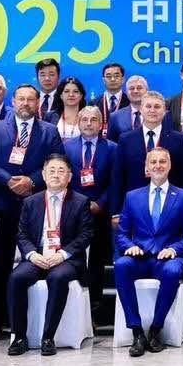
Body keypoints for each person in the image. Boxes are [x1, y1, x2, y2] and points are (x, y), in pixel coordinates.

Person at [0, 84, 61, 334]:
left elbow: (56, 161)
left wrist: (31, 181)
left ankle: (31, 320)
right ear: (13, 102)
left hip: (36, 205)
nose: (25, 103)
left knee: (33, 258)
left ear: (38, 103)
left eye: (30, 99)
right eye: (21, 99)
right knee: (0, 263)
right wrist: (8, 180)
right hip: (3, 204)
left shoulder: (49, 131)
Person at [114, 148, 183, 357]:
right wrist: (129, 246)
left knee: (173, 271)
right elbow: (122, 234)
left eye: (162, 162)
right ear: (146, 167)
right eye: (153, 162)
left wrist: (174, 249)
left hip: (167, 258)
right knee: (122, 265)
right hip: (139, 257)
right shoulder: (132, 197)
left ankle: (155, 329)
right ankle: (136, 332)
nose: (158, 166)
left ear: (169, 165)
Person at [8, 154, 93, 356]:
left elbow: (86, 234)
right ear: (44, 175)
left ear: (69, 177)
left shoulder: (81, 202)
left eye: (61, 171)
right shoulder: (31, 202)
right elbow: (22, 234)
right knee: (16, 278)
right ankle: (19, 337)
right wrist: (31, 254)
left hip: (67, 259)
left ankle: (48, 337)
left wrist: (62, 254)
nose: (56, 175)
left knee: (57, 277)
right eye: (51, 171)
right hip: (38, 256)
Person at [65, 106, 118, 324]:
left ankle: (94, 313)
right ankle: (72, 310)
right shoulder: (66, 147)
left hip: (100, 214)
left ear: (101, 123)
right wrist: (80, 204)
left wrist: (100, 203)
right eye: (84, 119)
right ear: (78, 122)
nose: (88, 123)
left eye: (93, 119)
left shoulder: (113, 148)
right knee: (73, 259)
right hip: (72, 212)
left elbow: (115, 181)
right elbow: (64, 178)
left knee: (96, 263)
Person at [113, 90, 183, 195]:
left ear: (164, 111)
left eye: (157, 107)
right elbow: (118, 177)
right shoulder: (126, 140)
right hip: (135, 200)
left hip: (170, 199)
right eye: (148, 106)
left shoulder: (179, 140)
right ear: (141, 110)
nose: (152, 110)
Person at [106, 75, 151, 141]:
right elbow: (111, 143)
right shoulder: (115, 117)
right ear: (126, 92)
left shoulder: (158, 114)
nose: (135, 91)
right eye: (131, 88)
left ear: (147, 91)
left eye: (139, 88)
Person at [50, 77, 88, 141]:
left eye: (75, 91)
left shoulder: (88, 116)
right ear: (61, 95)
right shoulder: (50, 116)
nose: (71, 95)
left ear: (81, 96)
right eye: (66, 91)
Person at [32, 56, 63, 120]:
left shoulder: (64, 99)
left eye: (51, 74)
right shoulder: (32, 98)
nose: (47, 78)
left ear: (58, 77)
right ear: (37, 77)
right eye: (43, 75)